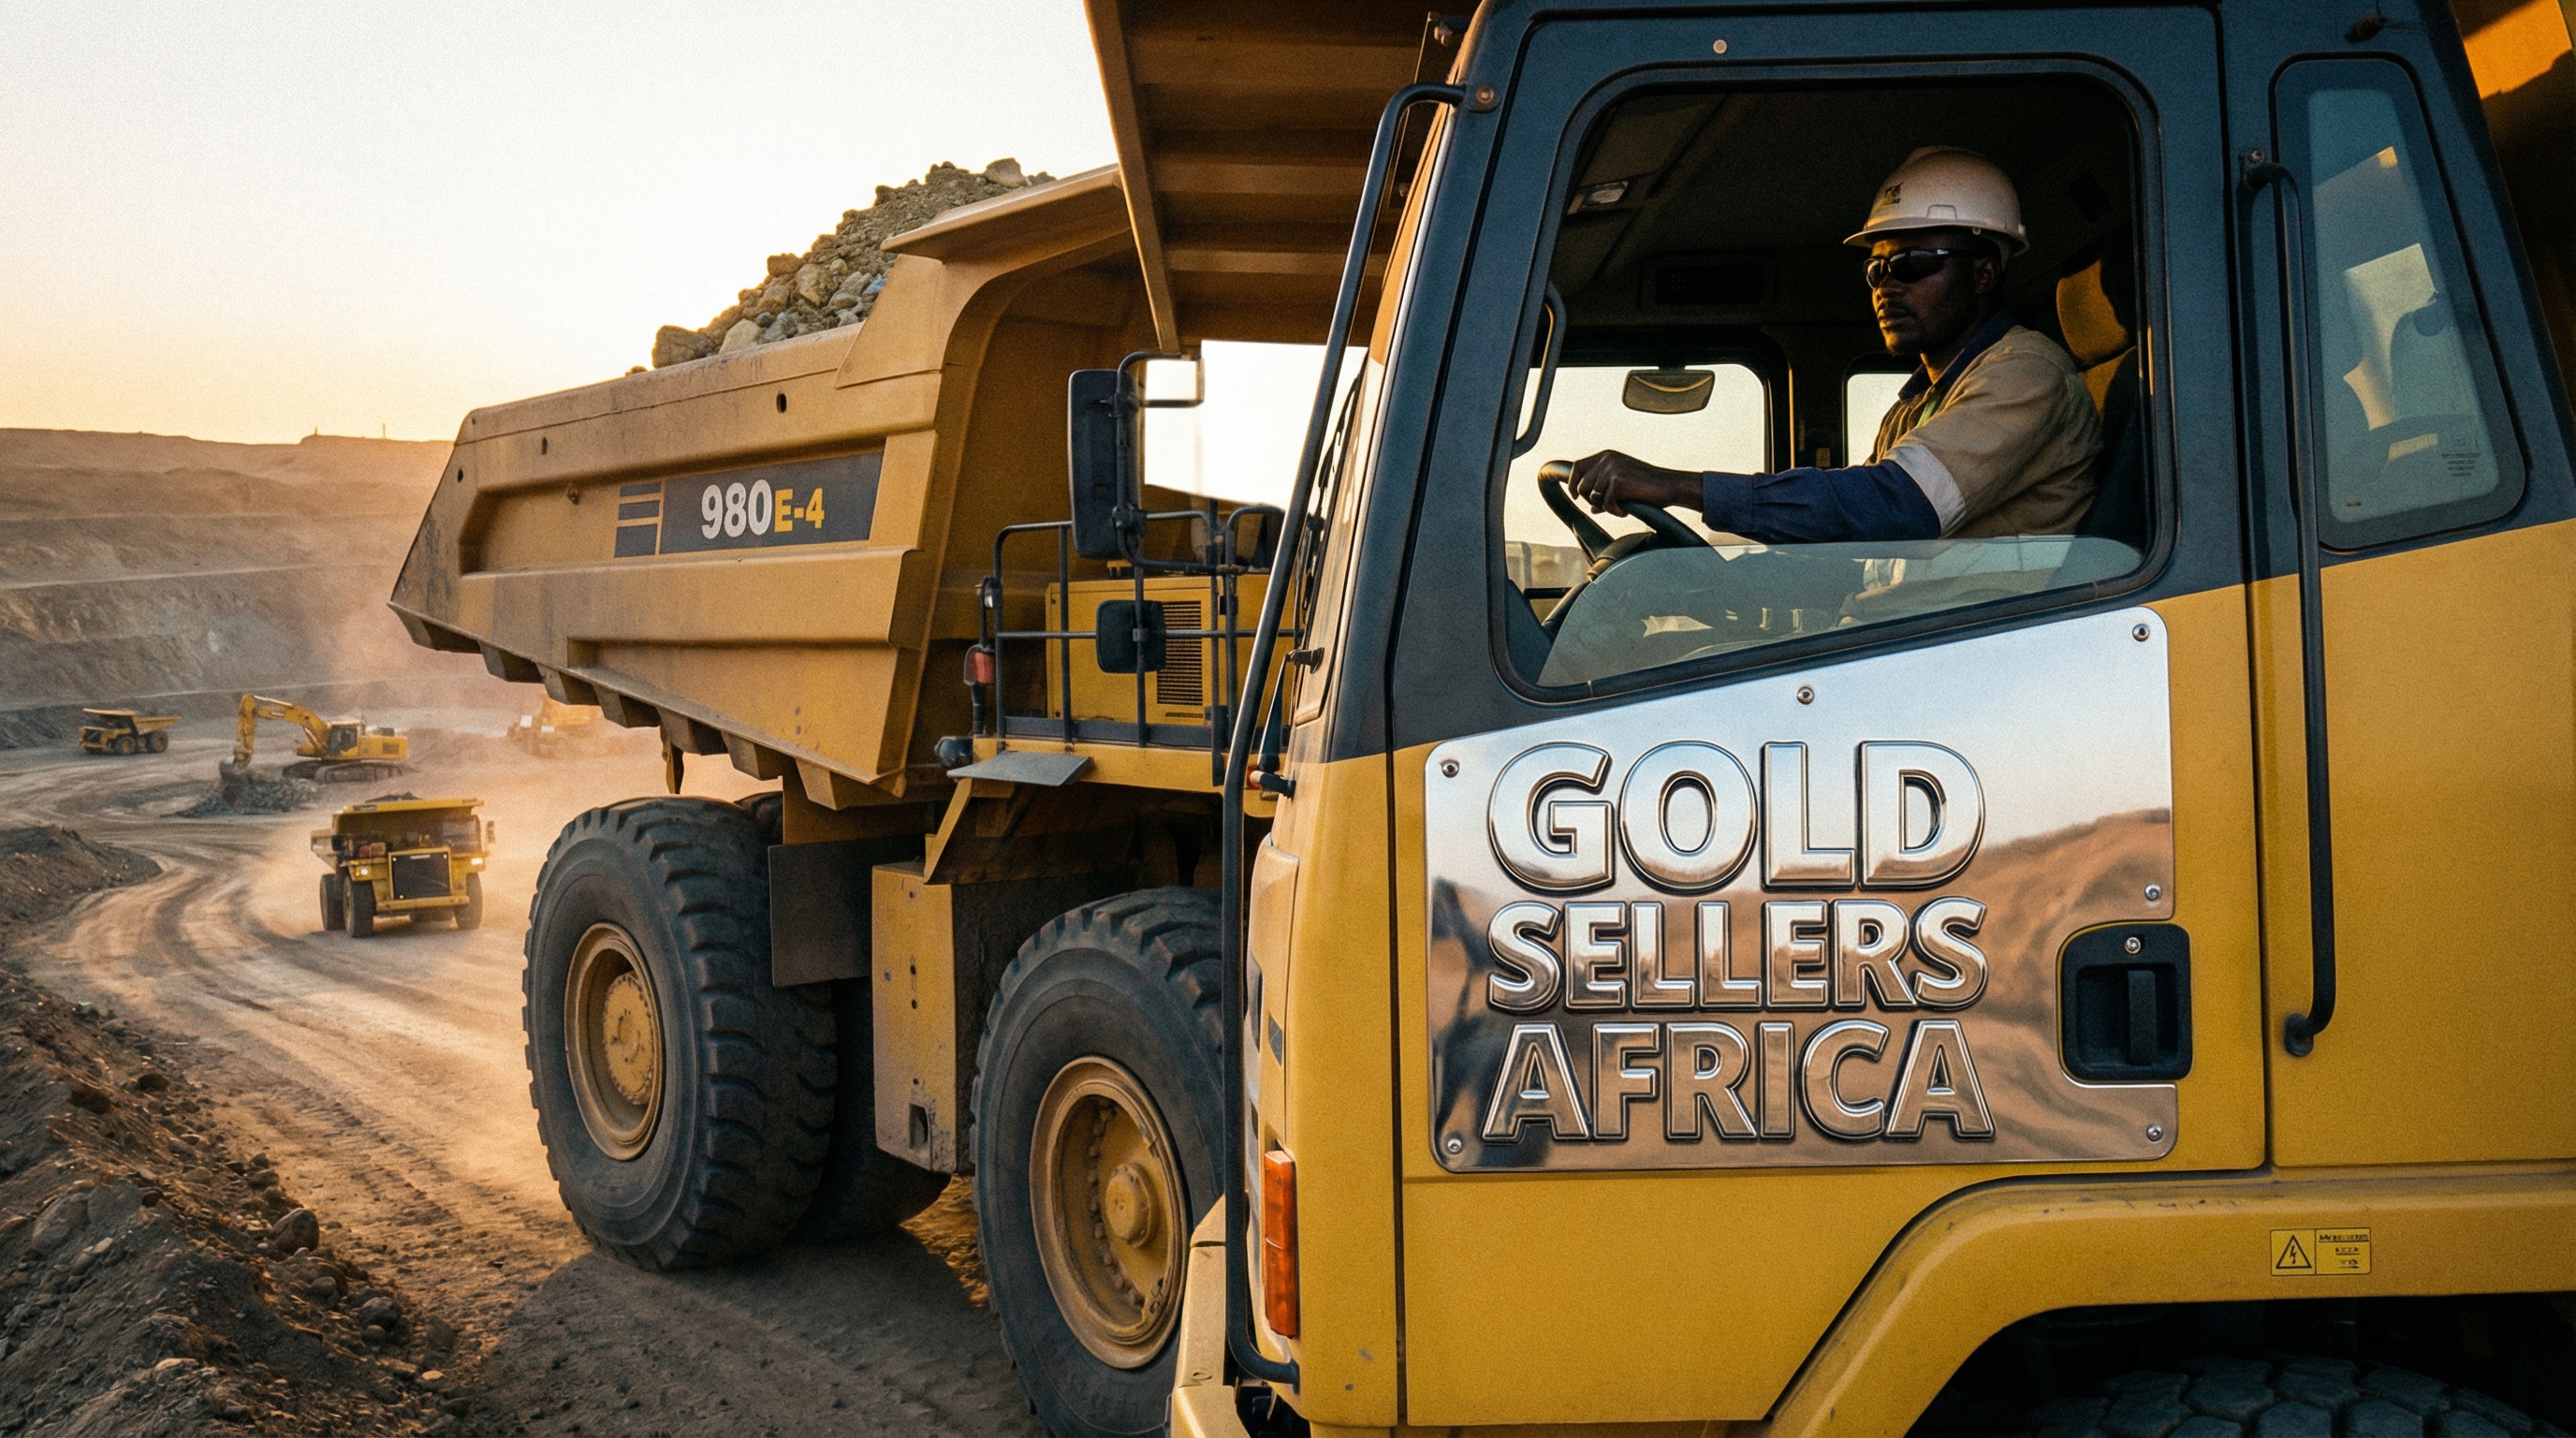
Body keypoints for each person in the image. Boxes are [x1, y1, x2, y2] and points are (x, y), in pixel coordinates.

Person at [1570, 147, 2101, 542]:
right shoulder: (1915, 407)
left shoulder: (2027, 373)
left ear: (1984, 273)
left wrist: (1676, 486)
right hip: (1917, 635)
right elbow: (1856, 540)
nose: (1887, 286)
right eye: (1876, 269)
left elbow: (1895, 505)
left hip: (1984, 649)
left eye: (1913, 264)